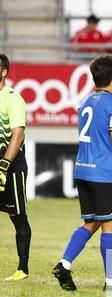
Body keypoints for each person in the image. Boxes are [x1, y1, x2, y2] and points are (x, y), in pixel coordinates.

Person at [52, 54, 112, 292]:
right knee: (111, 224)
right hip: (103, 173)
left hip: (83, 171)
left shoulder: (86, 102)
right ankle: (111, 283)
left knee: (91, 222)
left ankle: (64, 264)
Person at [0, 53, 32, 281]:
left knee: (17, 217)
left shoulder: (12, 98)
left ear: (3, 72)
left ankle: (23, 269)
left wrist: (3, 166)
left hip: (11, 167)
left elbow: (17, 136)